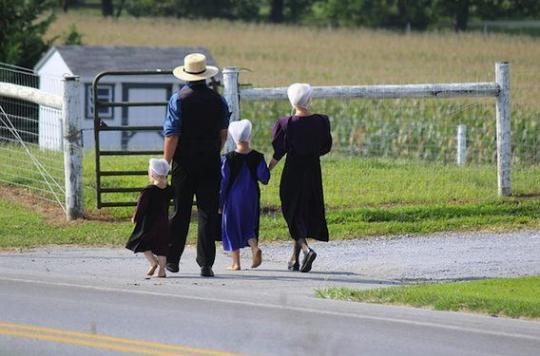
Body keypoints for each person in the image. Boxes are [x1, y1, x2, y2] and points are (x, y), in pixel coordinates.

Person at [163, 53, 230, 277]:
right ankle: (206, 263)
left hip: (184, 162)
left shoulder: (178, 100)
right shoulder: (218, 100)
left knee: (180, 210)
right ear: (205, 76)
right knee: (207, 212)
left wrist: (166, 161)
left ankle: (172, 259)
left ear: (186, 75)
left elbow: (172, 135)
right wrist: (214, 151)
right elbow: (223, 133)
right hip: (210, 161)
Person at [268, 83, 332, 273]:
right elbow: (325, 147)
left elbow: (279, 151)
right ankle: (294, 259)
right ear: (309, 100)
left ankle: (305, 249)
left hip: (293, 172)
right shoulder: (321, 121)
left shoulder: (286, 124)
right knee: (303, 211)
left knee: (292, 210)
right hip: (312, 171)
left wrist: (267, 169)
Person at [220, 119, 270, 270]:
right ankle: (254, 248)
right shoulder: (258, 156)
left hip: (233, 197)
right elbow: (264, 178)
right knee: (249, 224)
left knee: (232, 226)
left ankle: (236, 263)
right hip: (252, 195)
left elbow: (223, 182)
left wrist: (220, 202)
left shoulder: (227, 159)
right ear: (249, 136)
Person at [126, 159, 173, 278]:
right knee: (162, 247)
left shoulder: (148, 191)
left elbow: (141, 207)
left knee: (141, 242)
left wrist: (135, 218)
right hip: (163, 223)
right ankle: (161, 270)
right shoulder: (168, 190)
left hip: (149, 224)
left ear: (152, 174)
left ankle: (153, 262)